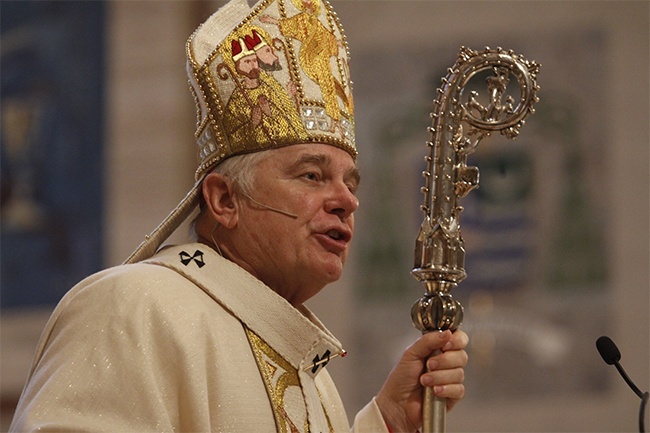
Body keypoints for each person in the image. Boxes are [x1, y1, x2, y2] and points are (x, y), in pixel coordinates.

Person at [10, 0, 468, 431]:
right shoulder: (133, 307)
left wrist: (386, 421)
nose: (346, 201)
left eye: (350, 183)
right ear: (224, 200)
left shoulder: (308, 367)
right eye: (311, 176)